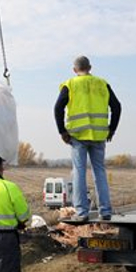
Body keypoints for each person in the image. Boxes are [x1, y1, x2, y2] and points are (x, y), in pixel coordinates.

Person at [54, 55, 121, 221]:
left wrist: (62, 131)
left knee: (79, 172)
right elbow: (117, 106)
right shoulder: (102, 83)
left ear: (74, 70)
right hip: (99, 136)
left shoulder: (70, 84)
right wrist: (111, 129)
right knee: (100, 171)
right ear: (90, 67)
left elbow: (58, 108)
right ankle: (105, 211)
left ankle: (82, 213)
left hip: (77, 136)